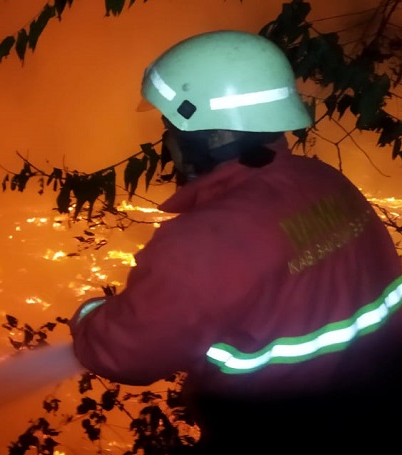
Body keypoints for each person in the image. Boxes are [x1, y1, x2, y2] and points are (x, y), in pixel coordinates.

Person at [68, 30, 402, 454]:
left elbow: (126, 353)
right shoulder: (325, 182)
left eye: (171, 128)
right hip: (381, 411)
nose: (166, 142)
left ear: (216, 136)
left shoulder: (203, 243)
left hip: (276, 433)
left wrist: (90, 317)